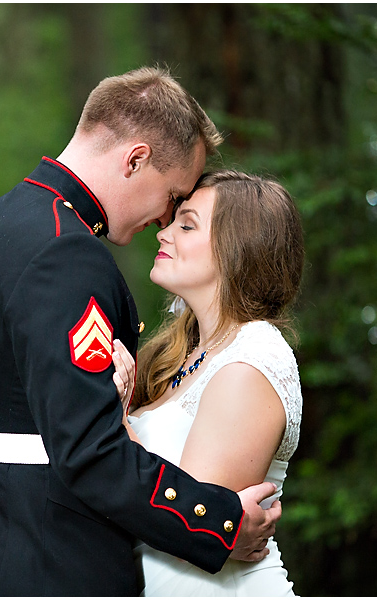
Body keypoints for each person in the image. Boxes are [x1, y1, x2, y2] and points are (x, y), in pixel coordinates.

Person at [0, 67, 281, 596]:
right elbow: (89, 453)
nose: (165, 219)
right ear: (135, 159)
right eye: (173, 195)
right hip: (49, 558)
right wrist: (221, 523)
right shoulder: (65, 252)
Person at [111, 170, 305, 595]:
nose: (164, 233)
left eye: (187, 224)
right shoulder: (185, 352)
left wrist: (115, 418)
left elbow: (191, 531)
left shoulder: (254, 359)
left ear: (235, 250)